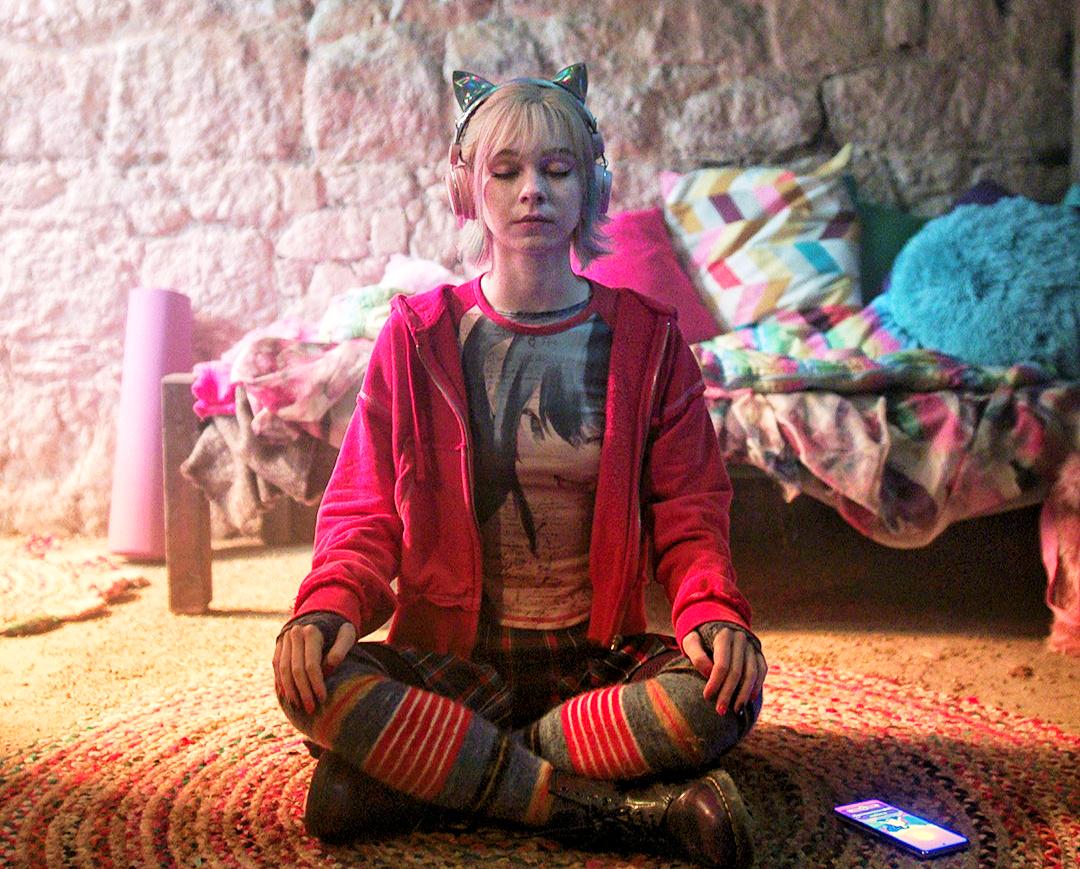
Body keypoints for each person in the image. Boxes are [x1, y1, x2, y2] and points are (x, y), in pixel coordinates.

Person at [272, 63, 767, 869]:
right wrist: (326, 607)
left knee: (727, 697)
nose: (532, 189)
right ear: (467, 188)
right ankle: (627, 815)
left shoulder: (649, 340)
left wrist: (713, 612)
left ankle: (430, 772)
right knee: (311, 681)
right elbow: (365, 509)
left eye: (557, 169)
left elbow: (691, 512)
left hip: (597, 666)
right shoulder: (416, 335)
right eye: (506, 171)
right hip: (454, 664)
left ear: (592, 186)